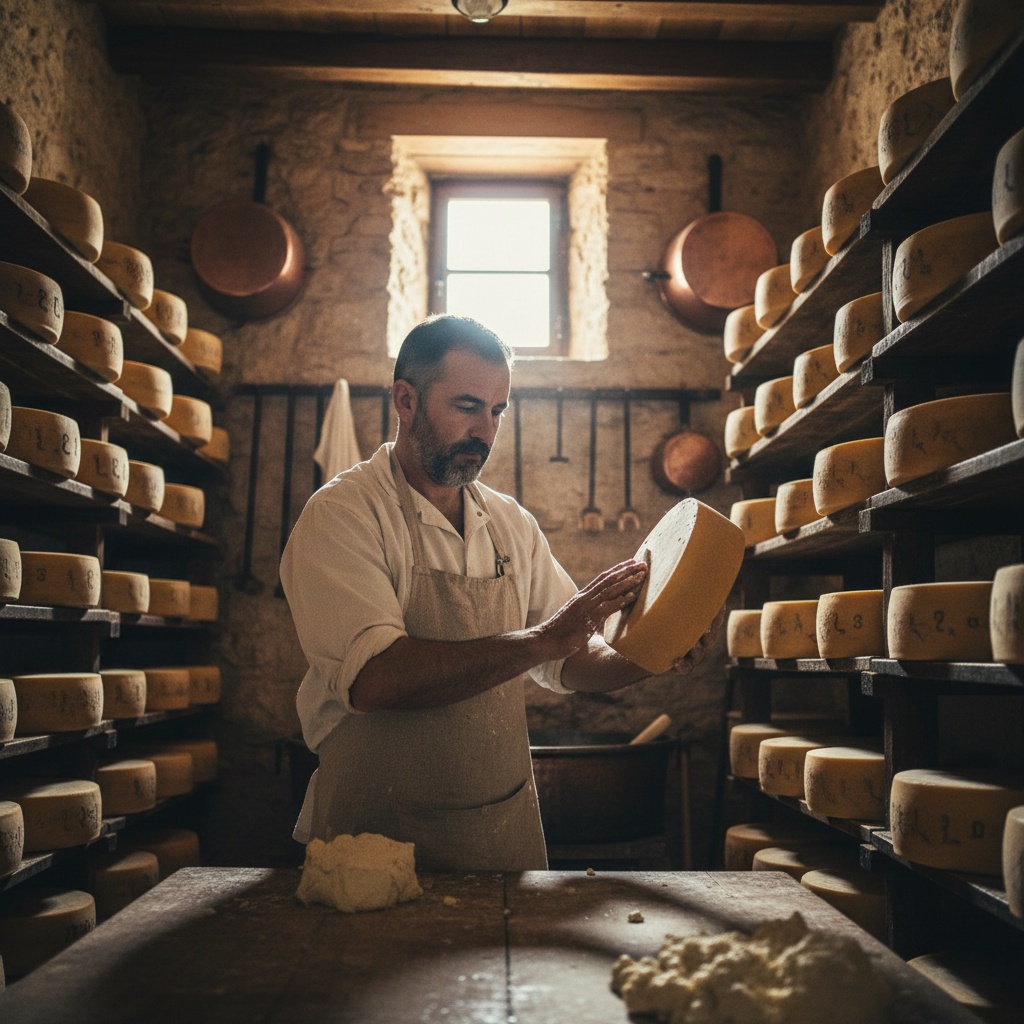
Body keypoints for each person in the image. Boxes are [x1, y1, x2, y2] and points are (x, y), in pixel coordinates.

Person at [280, 314, 721, 871]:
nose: (484, 431)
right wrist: (542, 640)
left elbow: (573, 659)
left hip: (498, 834)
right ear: (405, 400)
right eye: (467, 407)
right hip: (375, 842)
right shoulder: (344, 515)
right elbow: (376, 679)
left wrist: (655, 650)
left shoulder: (508, 522)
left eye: (497, 411)